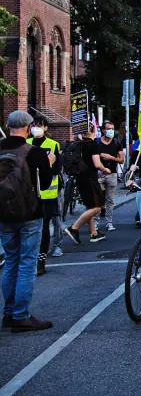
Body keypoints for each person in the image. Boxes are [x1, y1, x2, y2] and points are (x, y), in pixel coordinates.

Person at [0, 110, 55, 332]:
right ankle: (21, 315)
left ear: (7, 125)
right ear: (29, 127)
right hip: (30, 213)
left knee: (10, 261)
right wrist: (48, 162)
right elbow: (47, 181)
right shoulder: (35, 152)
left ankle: (8, 312)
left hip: (3, 214)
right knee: (26, 263)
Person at [64, 126, 110, 245]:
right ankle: (74, 227)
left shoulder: (78, 144)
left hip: (80, 178)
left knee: (89, 206)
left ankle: (94, 233)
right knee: (99, 205)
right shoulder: (92, 144)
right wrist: (105, 169)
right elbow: (97, 163)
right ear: (93, 132)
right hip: (90, 178)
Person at [29, 115, 63, 275]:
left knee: (43, 228)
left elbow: (57, 170)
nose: (36, 128)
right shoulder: (26, 144)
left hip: (48, 194)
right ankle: (31, 257)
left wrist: (46, 166)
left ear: (46, 128)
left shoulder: (53, 145)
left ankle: (41, 260)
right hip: (29, 194)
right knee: (30, 228)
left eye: (40, 125)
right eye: (34, 125)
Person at [94, 120, 125, 231]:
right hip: (98, 175)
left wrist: (111, 157)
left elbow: (121, 160)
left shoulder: (117, 143)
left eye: (112, 129)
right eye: (108, 129)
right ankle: (95, 223)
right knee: (97, 199)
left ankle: (109, 222)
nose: (111, 131)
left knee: (110, 200)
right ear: (103, 130)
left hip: (112, 174)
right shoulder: (96, 142)